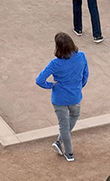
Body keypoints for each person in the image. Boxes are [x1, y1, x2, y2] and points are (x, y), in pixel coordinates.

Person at [38, 31, 88, 161]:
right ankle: (60, 143)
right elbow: (85, 75)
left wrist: (51, 85)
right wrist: (78, 86)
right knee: (74, 116)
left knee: (63, 125)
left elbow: (39, 80)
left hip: (59, 98)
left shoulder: (55, 63)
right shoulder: (81, 56)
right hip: (75, 96)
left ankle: (68, 152)